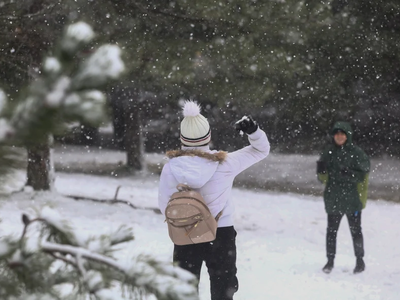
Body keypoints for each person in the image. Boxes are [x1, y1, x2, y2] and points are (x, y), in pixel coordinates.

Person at [158, 101, 270, 300]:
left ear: (182, 138)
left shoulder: (171, 168)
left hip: (184, 232)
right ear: (208, 136)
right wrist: (254, 132)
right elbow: (261, 150)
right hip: (221, 233)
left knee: (183, 292)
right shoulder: (226, 163)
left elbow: (164, 205)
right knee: (222, 290)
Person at [317, 121, 370, 274]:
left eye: (342, 134)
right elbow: (322, 178)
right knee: (331, 231)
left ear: (348, 136)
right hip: (333, 199)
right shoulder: (328, 152)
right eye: (337, 134)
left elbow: (364, 173)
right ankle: (330, 261)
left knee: (356, 232)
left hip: (352, 199)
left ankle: (360, 261)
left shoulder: (357, 153)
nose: (339, 137)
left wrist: (350, 174)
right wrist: (322, 171)